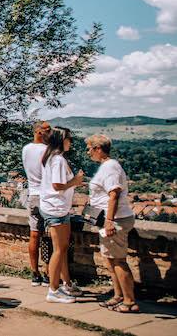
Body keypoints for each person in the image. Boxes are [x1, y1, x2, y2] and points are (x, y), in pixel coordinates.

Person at [86, 134, 139, 313]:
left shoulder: (110, 167)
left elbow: (114, 194)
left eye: (90, 149)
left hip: (115, 220)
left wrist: (109, 221)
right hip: (109, 220)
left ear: (98, 149)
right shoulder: (106, 166)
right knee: (109, 259)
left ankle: (130, 301)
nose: (88, 152)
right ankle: (118, 296)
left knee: (118, 260)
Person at [39, 126, 85, 303]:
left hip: (58, 208)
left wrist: (73, 183)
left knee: (63, 248)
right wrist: (76, 181)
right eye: (69, 138)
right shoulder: (57, 160)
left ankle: (66, 284)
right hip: (56, 208)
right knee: (59, 250)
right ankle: (53, 290)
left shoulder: (52, 157)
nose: (71, 142)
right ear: (61, 140)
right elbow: (57, 186)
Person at [22, 121, 51, 286]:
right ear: (39, 132)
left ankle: (35, 273)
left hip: (33, 194)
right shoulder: (48, 150)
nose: (50, 133)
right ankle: (48, 272)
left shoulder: (26, 149)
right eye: (47, 130)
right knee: (49, 236)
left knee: (34, 234)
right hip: (46, 195)